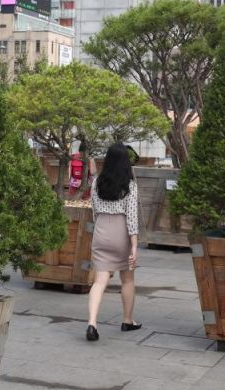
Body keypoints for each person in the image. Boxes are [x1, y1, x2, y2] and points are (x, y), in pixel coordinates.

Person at [85, 142, 140, 341]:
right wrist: (134, 245)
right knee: (128, 279)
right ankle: (127, 320)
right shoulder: (130, 186)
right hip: (121, 232)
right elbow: (132, 217)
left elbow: (94, 210)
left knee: (99, 281)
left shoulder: (96, 182)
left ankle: (92, 323)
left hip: (101, 230)